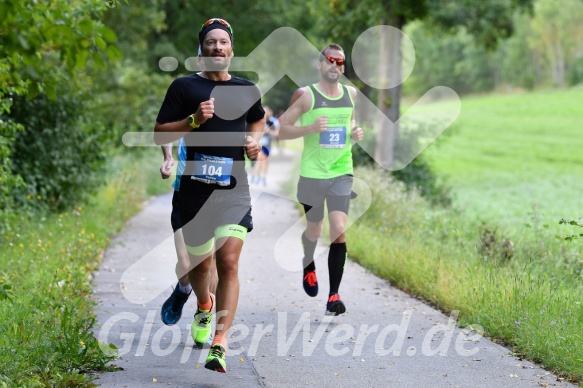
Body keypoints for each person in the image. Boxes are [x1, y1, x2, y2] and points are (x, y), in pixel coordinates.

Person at [153, 18, 265, 373]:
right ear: (201, 50)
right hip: (193, 192)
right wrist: (192, 122)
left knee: (228, 263)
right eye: (210, 42)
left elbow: (257, 119)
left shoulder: (247, 89)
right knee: (200, 266)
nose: (217, 47)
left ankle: (220, 342)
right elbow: (159, 135)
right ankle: (203, 305)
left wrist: (254, 140)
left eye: (223, 42)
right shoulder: (184, 87)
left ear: (232, 49)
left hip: (233, 190)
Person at [279, 43, 364, 316]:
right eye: (330, 60)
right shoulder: (305, 95)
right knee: (314, 230)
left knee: (338, 229)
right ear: (320, 64)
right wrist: (311, 127)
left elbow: (349, 122)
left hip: (341, 171)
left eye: (340, 62)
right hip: (312, 175)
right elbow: (282, 129)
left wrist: (355, 131)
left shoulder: (351, 93)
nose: (335, 65)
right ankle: (308, 262)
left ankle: (333, 296)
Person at [158, 142, 218, 327]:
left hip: (218, 193)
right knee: (185, 264)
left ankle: (204, 316)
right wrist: (168, 156)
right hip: (184, 192)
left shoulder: (227, 114)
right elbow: (166, 128)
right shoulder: (187, 112)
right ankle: (183, 290)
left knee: (210, 263)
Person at [250, 105, 279, 185]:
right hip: (260, 143)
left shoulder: (273, 122)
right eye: (263, 111)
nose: (265, 113)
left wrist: (269, 132)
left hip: (268, 144)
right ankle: (256, 176)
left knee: (265, 161)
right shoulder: (259, 120)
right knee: (260, 159)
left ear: (269, 113)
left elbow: (276, 134)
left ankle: (263, 177)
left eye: (266, 112)